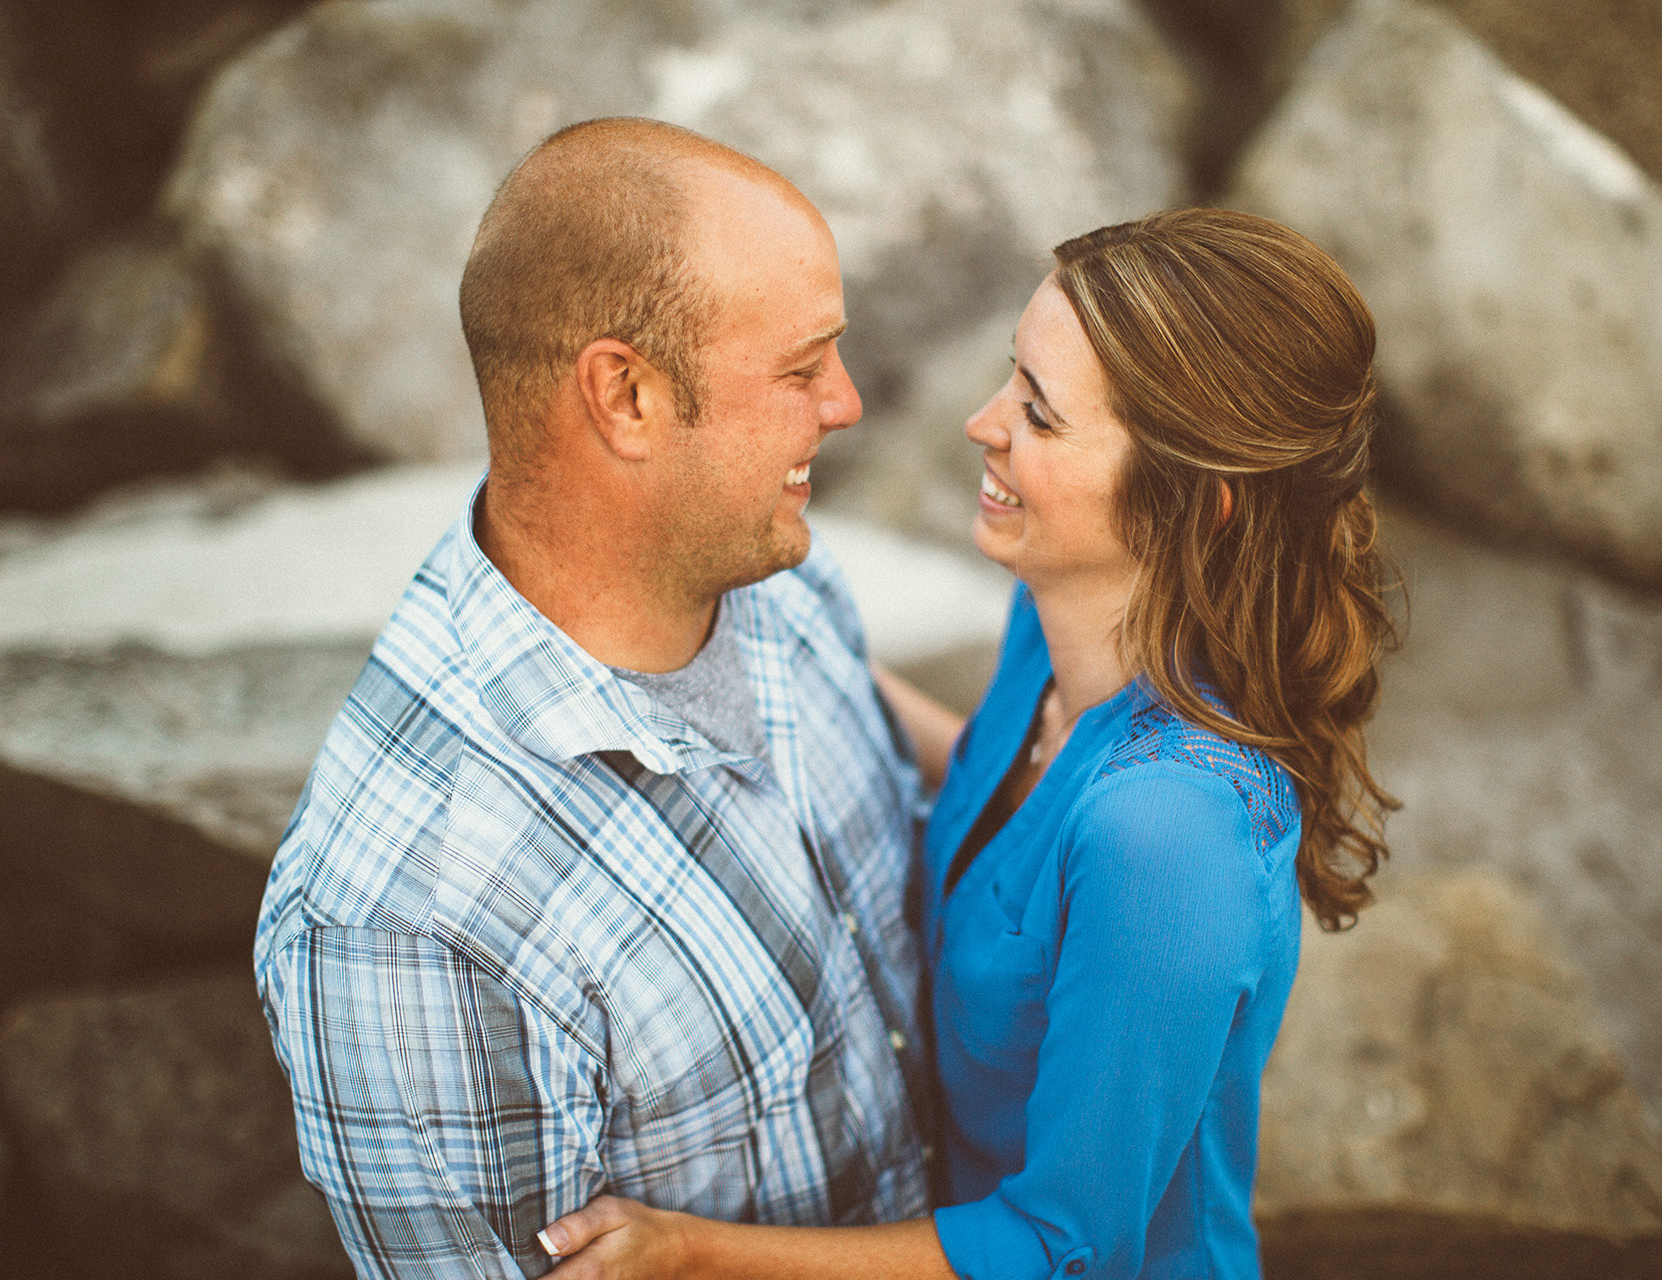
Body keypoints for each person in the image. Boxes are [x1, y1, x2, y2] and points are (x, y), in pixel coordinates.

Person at [537, 206, 1400, 1279]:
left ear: (1198, 504)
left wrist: (689, 1250)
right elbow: (1013, 794)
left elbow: (1060, 1243)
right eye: (1012, 378)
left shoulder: (1169, 836)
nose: (981, 424)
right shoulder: (1056, 622)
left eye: (1039, 417)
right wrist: (762, 645)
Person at [253, 117, 936, 1279]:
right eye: (800, 365)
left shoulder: (763, 552)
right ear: (625, 395)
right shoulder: (411, 920)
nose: (848, 401)